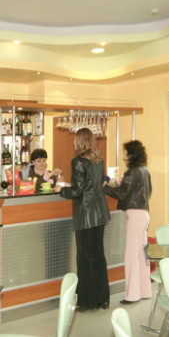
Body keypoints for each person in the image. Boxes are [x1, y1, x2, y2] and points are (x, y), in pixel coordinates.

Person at [56, 128, 110, 311]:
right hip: (100, 213)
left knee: (85, 258)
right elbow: (95, 184)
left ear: (79, 141)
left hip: (86, 215)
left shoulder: (78, 161)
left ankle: (87, 301)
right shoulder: (99, 159)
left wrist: (62, 190)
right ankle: (102, 298)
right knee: (98, 255)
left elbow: (78, 191)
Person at [105, 140, 152, 304]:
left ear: (131, 154)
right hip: (144, 213)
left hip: (135, 215)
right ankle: (145, 290)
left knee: (131, 255)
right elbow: (147, 191)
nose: (124, 156)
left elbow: (122, 194)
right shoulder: (144, 170)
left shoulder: (132, 172)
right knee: (141, 255)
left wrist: (105, 187)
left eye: (125, 153)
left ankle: (132, 295)